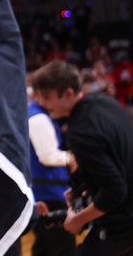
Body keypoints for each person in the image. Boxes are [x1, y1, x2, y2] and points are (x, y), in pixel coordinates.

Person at [32, 60, 133, 255]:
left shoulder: (80, 130)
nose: (41, 103)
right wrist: (85, 185)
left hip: (122, 220)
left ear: (68, 93)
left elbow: (116, 190)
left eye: (46, 97)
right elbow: (117, 160)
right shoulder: (105, 102)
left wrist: (78, 219)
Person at [29, 85, 77, 256]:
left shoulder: (37, 114)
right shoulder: (38, 118)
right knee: (62, 249)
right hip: (50, 194)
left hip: (46, 192)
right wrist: (73, 157)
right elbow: (48, 156)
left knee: (44, 249)